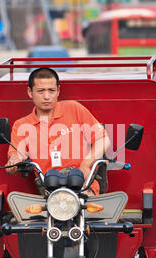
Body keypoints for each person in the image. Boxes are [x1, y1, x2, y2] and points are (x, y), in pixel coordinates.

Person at [6, 67, 111, 195]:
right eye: (40, 91)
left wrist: (85, 164)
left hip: (84, 186)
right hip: (50, 191)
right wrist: (14, 161)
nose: (46, 96)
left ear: (58, 91)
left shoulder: (74, 108)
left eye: (51, 91)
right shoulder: (22, 125)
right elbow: (16, 154)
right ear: (30, 92)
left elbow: (103, 139)